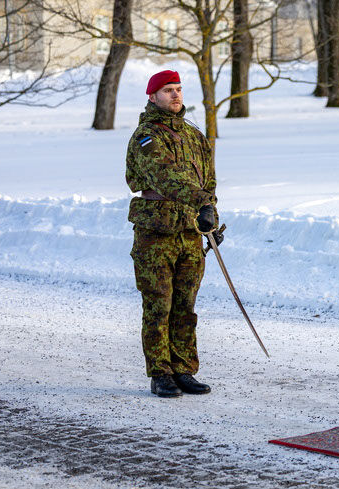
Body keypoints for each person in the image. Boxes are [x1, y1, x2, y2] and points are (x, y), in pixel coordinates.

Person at [126, 70, 224, 398]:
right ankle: (160, 373)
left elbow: (208, 183)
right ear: (152, 96)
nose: (176, 95)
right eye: (168, 90)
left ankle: (183, 369)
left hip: (188, 233)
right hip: (156, 233)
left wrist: (209, 217)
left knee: (186, 305)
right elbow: (165, 177)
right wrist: (200, 201)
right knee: (159, 304)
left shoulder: (195, 137)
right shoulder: (146, 137)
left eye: (179, 89)